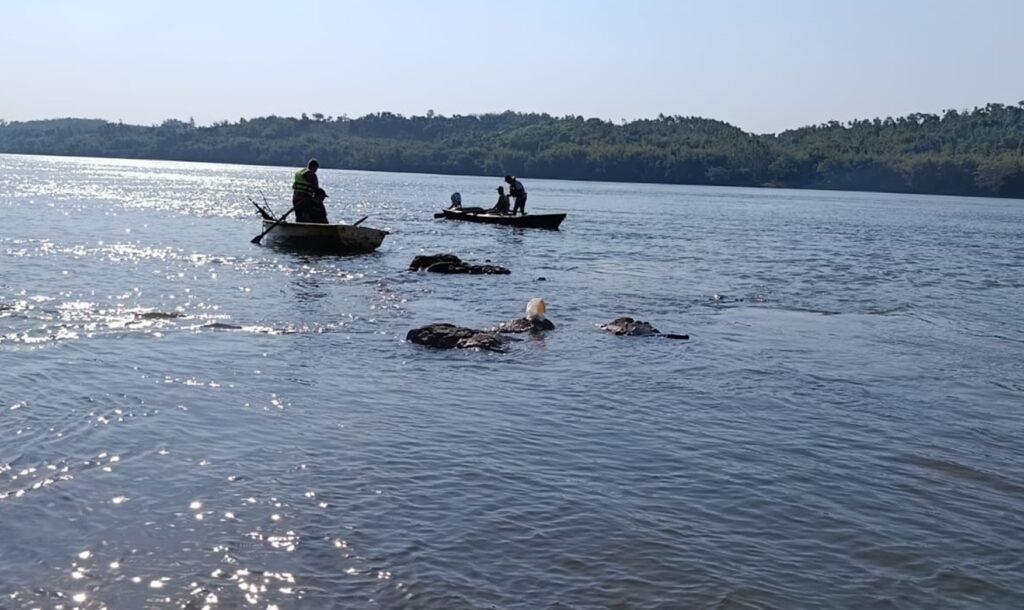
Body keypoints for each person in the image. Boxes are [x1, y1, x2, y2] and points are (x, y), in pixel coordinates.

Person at [292, 159, 329, 223]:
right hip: (305, 200)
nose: (315, 171)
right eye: (316, 169)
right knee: (306, 217)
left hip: (295, 199)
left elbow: (294, 186)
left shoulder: (299, 173)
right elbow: (316, 189)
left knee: (299, 217)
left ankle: (298, 227)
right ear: (314, 167)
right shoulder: (311, 174)